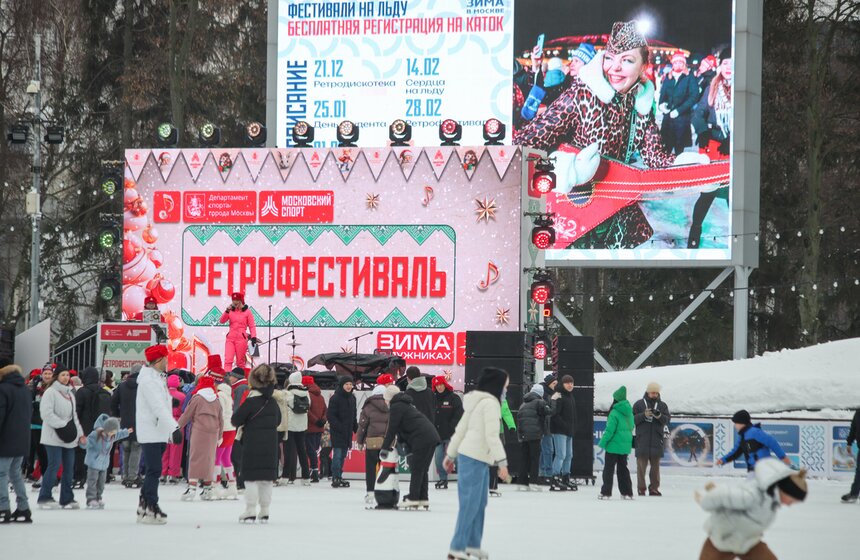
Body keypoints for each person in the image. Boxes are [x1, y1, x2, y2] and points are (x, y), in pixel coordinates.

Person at [514, 21, 691, 249]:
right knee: (575, 280)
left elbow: (656, 158)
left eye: (626, 60)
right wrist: (558, 168)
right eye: (610, 58)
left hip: (616, 211)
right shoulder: (581, 95)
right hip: (574, 213)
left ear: (643, 66)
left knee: (616, 280)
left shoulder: (642, 104)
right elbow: (524, 144)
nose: (614, 68)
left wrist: (686, 166)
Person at [444, 368, 509, 560]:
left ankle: (472, 544)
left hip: (477, 458)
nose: (506, 388)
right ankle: (457, 546)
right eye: (505, 385)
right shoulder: (489, 403)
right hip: (472, 458)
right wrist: (502, 463)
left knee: (480, 503)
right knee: (470, 504)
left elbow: (461, 428)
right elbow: (491, 436)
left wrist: (451, 454)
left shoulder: (479, 402)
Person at [696, 458, 808, 559]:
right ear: (786, 492)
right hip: (721, 541)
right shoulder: (753, 495)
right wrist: (705, 501)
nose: (790, 505)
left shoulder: (772, 502)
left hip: (747, 543)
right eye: (792, 500)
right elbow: (723, 495)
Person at [689, 48, 733, 249]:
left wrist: (733, 138)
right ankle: (694, 233)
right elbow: (698, 113)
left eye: (733, 63)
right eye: (725, 63)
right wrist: (702, 132)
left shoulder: (742, 89)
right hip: (714, 147)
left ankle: (737, 239)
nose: (729, 68)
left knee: (733, 196)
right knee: (707, 194)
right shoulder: (712, 87)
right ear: (720, 66)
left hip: (734, 152)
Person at [136, 344, 180, 524]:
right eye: (166, 358)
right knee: (154, 470)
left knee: (154, 469)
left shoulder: (156, 377)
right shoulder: (148, 380)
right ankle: (151, 506)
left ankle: (144, 503)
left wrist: (171, 400)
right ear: (160, 360)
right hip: (151, 430)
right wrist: (174, 428)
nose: (168, 361)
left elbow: (161, 400)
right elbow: (156, 406)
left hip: (158, 431)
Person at [232, 364, 281, 523]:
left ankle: (250, 509)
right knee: (266, 479)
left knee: (251, 478)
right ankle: (265, 510)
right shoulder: (273, 402)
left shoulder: (251, 401)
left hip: (252, 444)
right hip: (270, 445)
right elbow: (278, 421)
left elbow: (235, 420)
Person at [381, 389, 440, 509]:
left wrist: (384, 448)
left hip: (422, 438)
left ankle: (413, 498)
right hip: (430, 436)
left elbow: (392, 429)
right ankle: (423, 498)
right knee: (422, 470)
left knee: (417, 469)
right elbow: (402, 429)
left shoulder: (396, 406)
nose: (385, 401)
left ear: (389, 398)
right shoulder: (405, 405)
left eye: (385, 399)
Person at [37, 366, 86, 509]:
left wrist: (80, 434)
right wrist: (62, 425)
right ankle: (45, 496)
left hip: (69, 436)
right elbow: (46, 414)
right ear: (56, 376)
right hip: (53, 435)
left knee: (69, 467)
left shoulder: (70, 393)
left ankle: (66, 497)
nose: (65, 377)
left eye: (67, 375)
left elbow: (74, 416)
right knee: (54, 465)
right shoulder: (50, 392)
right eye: (63, 375)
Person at [178, 375, 223, 501]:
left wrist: (177, 427)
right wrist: (220, 435)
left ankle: (192, 487)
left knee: (195, 458)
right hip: (213, 433)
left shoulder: (197, 398)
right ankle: (207, 489)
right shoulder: (216, 399)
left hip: (199, 432)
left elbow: (187, 414)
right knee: (209, 459)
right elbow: (221, 419)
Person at [0, 363, 34, 523]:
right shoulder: (25, 390)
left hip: (6, 440)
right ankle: (23, 507)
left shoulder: (3, 389)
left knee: (1, 474)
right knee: (15, 475)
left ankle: (2, 508)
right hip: (22, 439)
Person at [73, 367, 111, 489]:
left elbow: (76, 411)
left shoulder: (82, 391)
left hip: (84, 428)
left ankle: (80, 477)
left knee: (81, 453)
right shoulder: (105, 392)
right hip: (100, 429)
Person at [83, 414, 131, 509]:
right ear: (106, 429)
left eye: (114, 432)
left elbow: (118, 434)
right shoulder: (96, 434)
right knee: (92, 481)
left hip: (104, 464)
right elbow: (87, 442)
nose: (113, 434)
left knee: (101, 482)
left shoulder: (112, 436)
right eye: (111, 432)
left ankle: (98, 497)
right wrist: (83, 442)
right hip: (93, 462)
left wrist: (126, 432)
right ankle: (91, 499)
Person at [717, 410, 791, 472]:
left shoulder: (754, 432)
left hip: (764, 468)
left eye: (736, 423)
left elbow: (772, 442)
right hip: (753, 470)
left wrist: (782, 457)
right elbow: (736, 452)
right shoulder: (742, 436)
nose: (735, 425)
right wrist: (723, 460)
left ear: (742, 423)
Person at [633, 381, 671, 496]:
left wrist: (659, 416)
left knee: (655, 469)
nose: (654, 395)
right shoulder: (639, 404)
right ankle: (641, 488)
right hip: (642, 440)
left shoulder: (662, 405)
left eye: (656, 393)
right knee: (641, 468)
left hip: (656, 440)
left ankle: (654, 488)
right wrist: (643, 415)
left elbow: (667, 420)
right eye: (652, 393)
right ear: (648, 392)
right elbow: (632, 420)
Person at [357, 379, 391, 503]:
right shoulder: (390, 404)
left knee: (371, 469)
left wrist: (360, 441)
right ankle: (384, 493)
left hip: (372, 442)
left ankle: (370, 493)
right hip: (387, 443)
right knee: (386, 469)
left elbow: (362, 426)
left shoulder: (368, 406)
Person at [658, 51, 699, 155]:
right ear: (672, 64)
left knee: (679, 147)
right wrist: (661, 105)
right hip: (668, 119)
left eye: (681, 62)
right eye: (676, 62)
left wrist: (679, 110)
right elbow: (663, 93)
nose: (678, 65)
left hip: (682, 119)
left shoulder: (689, 77)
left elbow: (694, 96)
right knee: (665, 146)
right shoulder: (668, 77)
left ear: (684, 64)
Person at [598, 386, 635, 500]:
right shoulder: (629, 411)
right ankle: (627, 492)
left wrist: (602, 443)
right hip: (625, 445)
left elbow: (610, 431)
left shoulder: (614, 412)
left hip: (613, 445)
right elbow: (632, 426)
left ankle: (606, 492)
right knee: (623, 468)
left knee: (609, 469)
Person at [111, 363, 141, 488]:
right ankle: (132, 476)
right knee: (136, 449)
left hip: (125, 423)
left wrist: (119, 413)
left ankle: (125, 475)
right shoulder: (142, 386)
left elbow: (113, 403)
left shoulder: (122, 386)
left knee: (126, 448)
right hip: (139, 422)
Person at [516, 384, 552, 491]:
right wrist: (553, 401)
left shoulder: (523, 404)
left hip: (524, 435)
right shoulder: (539, 402)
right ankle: (533, 482)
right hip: (535, 434)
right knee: (534, 458)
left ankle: (522, 483)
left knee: (524, 459)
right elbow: (549, 412)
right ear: (540, 394)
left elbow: (519, 421)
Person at [432, 375, 463, 490]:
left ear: (445, 384)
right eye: (437, 385)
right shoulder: (433, 398)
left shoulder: (454, 398)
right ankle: (443, 479)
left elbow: (459, 415)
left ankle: (463, 479)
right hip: (437, 435)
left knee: (456, 458)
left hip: (451, 435)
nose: (439, 387)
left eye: (441, 384)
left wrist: (451, 428)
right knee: (439, 458)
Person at [327, 375, 357, 488]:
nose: (349, 386)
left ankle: (339, 475)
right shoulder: (335, 398)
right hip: (338, 432)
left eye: (350, 384)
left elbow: (353, 415)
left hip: (348, 432)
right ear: (342, 385)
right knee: (337, 454)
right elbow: (330, 416)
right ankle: (335, 476)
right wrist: (339, 427)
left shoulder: (352, 398)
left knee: (343, 455)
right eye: (346, 384)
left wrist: (356, 428)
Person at [26, 364, 53, 486]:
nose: (47, 376)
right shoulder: (36, 386)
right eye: (45, 373)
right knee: (39, 452)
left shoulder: (54, 388)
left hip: (48, 424)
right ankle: (42, 475)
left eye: (49, 373)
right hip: (36, 423)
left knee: (47, 452)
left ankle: (48, 477)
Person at [549, 375, 576, 491]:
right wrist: (564, 425)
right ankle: (554, 479)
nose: (570, 385)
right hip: (559, 430)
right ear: (563, 384)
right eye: (567, 383)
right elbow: (554, 415)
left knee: (569, 455)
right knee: (561, 455)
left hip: (569, 431)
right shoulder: (558, 396)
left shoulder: (570, 397)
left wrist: (572, 427)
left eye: (571, 383)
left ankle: (566, 478)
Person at [219, 292, 259, 371]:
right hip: (230, 338)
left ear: (241, 301)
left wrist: (253, 336)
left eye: (237, 302)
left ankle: (240, 380)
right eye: (233, 302)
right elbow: (222, 321)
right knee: (228, 360)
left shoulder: (247, 312)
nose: (235, 304)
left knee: (240, 362)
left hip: (241, 339)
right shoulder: (230, 310)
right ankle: (227, 379)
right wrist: (227, 311)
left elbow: (252, 326)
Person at [283, 372, 311, 485]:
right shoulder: (306, 393)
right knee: (302, 451)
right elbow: (309, 406)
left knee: (288, 452)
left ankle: (285, 476)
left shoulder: (287, 393)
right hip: (302, 426)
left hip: (290, 426)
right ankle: (306, 477)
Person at [225, 367, 248, 488]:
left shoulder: (240, 388)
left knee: (236, 454)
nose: (229, 378)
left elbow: (238, 407)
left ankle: (240, 481)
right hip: (237, 425)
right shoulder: (240, 387)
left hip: (236, 426)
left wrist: (233, 421)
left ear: (236, 377)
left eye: (231, 376)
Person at [214, 380, 238, 498]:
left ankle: (216, 486)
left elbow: (220, 414)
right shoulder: (228, 395)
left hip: (223, 429)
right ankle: (232, 486)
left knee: (216, 459)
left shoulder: (219, 396)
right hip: (231, 429)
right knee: (226, 459)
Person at [160, 374, 185, 484]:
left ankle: (163, 473)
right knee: (176, 450)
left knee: (164, 450)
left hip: (164, 423)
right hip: (177, 423)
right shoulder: (182, 396)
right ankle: (173, 475)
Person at [305, 375, 327, 483]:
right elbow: (325, 411)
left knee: (310, 451)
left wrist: (315, 420)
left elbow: (306, 411)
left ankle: (314, 470)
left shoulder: (307, 395)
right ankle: (313, 470)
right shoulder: (321, 396)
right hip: (319, 428)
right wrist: (322, 420)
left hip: (310, 427)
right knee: (314, 450)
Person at [538, 374, 558, 484]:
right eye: (554, 383)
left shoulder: (551, 394)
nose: (556, 385)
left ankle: (542, 472)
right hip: (546, 427)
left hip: (550, 426)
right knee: (548, 450)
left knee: (546, 450)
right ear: (549, 384)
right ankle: (547, 473)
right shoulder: (545, 395)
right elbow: (549, 411)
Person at [841, 408, 860, 503]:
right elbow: (854, 428)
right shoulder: (858, 413)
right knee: (859, 472)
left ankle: (854, 494)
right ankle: (854, 494)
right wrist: (849, 443)